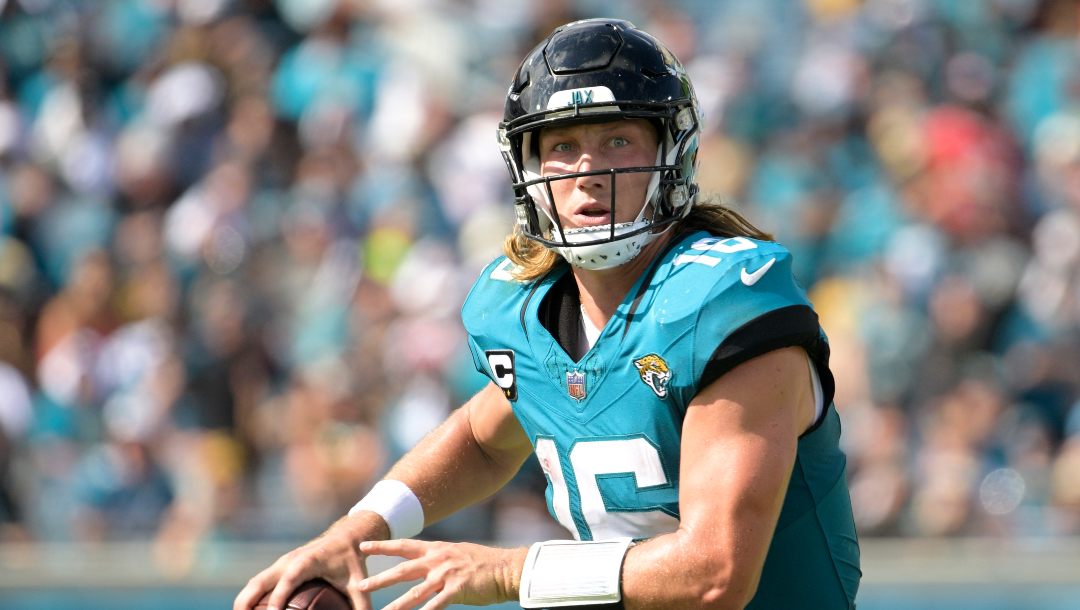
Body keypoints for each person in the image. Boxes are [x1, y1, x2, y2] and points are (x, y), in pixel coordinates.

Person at [235, 18, 861, 610]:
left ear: (674, 153)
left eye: (617, 140)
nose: (587, 172)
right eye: (563, 145)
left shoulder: (723, 301)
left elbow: (715, 572)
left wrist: (509, 572)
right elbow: (482, 441)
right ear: (528, 169)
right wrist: (358, 529)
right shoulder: (524, 305)